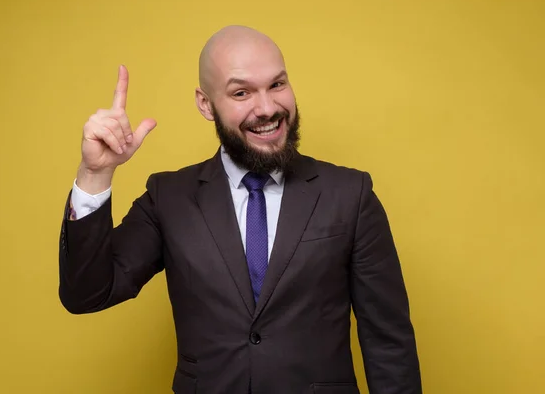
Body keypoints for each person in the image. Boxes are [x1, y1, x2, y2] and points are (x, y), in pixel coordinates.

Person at [58, 25, 422, 394]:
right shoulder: (168, 196)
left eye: (277, 85)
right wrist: (95, 174)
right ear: (205, 104)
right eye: (241, 92)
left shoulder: (350, 194)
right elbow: (87, 293)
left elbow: (389, 343)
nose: (267, 108)